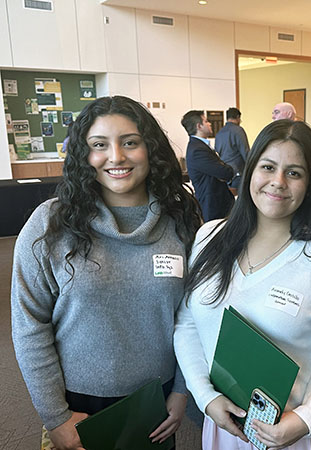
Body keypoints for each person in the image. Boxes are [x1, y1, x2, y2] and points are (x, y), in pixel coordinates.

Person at [11, 95, 202, 450]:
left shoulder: (182, 222)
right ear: (85, 155)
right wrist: (55, 416)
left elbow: (193, 315)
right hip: (77, 407)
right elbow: (29, 326)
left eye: (130, 142)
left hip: (155, 403)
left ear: (151, 149)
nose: (116, 157)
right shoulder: (50, 224)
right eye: (99, 145)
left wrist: (181, 390)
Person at [174, 119, 311, 450]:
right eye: (268, 167)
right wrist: (205, 397)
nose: (278, 182)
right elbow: (187, 325)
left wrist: (305, 419)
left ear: (310, 184)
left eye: (294, 173)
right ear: (250, 169)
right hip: (223, 425)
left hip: (293, 434)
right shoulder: (209, 237)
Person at [182, 109, 234, 221]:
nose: (210, 123)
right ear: (199, 126)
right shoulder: (197, 150)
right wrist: (224, 170)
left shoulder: (200, 146)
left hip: (218, 202)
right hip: (213, 205)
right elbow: (225, 172)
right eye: (206, 121)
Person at [215, 107, 250, 190]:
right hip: (238, 173)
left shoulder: (219, 132)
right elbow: (246, 153)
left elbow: (217, 152)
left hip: (225, 173)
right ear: (237, 117)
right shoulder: (238, 130)